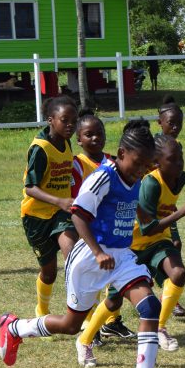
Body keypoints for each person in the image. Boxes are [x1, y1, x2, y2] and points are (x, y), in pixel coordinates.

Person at [0, 120, 162, 368]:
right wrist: (98, 252)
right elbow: (77, 215)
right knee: (71, 324)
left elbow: (129, 199)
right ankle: (14, 328)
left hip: (121, 255)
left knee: (150, 306)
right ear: (122, 153)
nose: (142, 171)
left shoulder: (135, 177)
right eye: (138, 163)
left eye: (147, 166)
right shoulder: (102, 177)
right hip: (89, 256)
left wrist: (145, 215)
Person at [77, 133, 185, 366]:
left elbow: (165, 211)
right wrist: (181, 213)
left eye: (180, 158)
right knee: (113, 303)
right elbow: (148, 226)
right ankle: (84, 340)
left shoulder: (179, 178)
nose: (179, 164)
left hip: (157, 241)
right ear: (157, 161)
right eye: (172, 159)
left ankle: (160, 327)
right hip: (132, 246)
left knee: (178, 273)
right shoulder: (149, 183)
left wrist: (174, 235)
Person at [73, 109, 137, 343]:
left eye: (99, 133)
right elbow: (77, 199)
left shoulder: (113, 161)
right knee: (93, 280)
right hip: (87, 227)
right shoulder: (77, 164)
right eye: (89, 135)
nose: (95, 138)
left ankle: (111, 322)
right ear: (79, 139)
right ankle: (90, 325)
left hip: (111, 228)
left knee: (116, 278)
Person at [20, 96, 79, 323]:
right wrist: (59, 200)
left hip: (61, 213)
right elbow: (31, 188)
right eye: (65, 120)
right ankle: (41, 311)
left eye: (74, 121)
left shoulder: (66, 142)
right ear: (51, 120)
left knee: (72, 255)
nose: (70, 126)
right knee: (49, 272)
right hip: (36, 217)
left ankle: (79, 312)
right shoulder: (40, 149)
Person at [156, 95, 185, 319]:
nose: (175, 127)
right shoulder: (154, 146)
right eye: (171, 123)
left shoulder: (177, 145)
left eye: (179, 123)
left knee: (175, 244)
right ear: (160, 123)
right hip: (149, 209)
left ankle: (171, 299)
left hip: (167, 206)